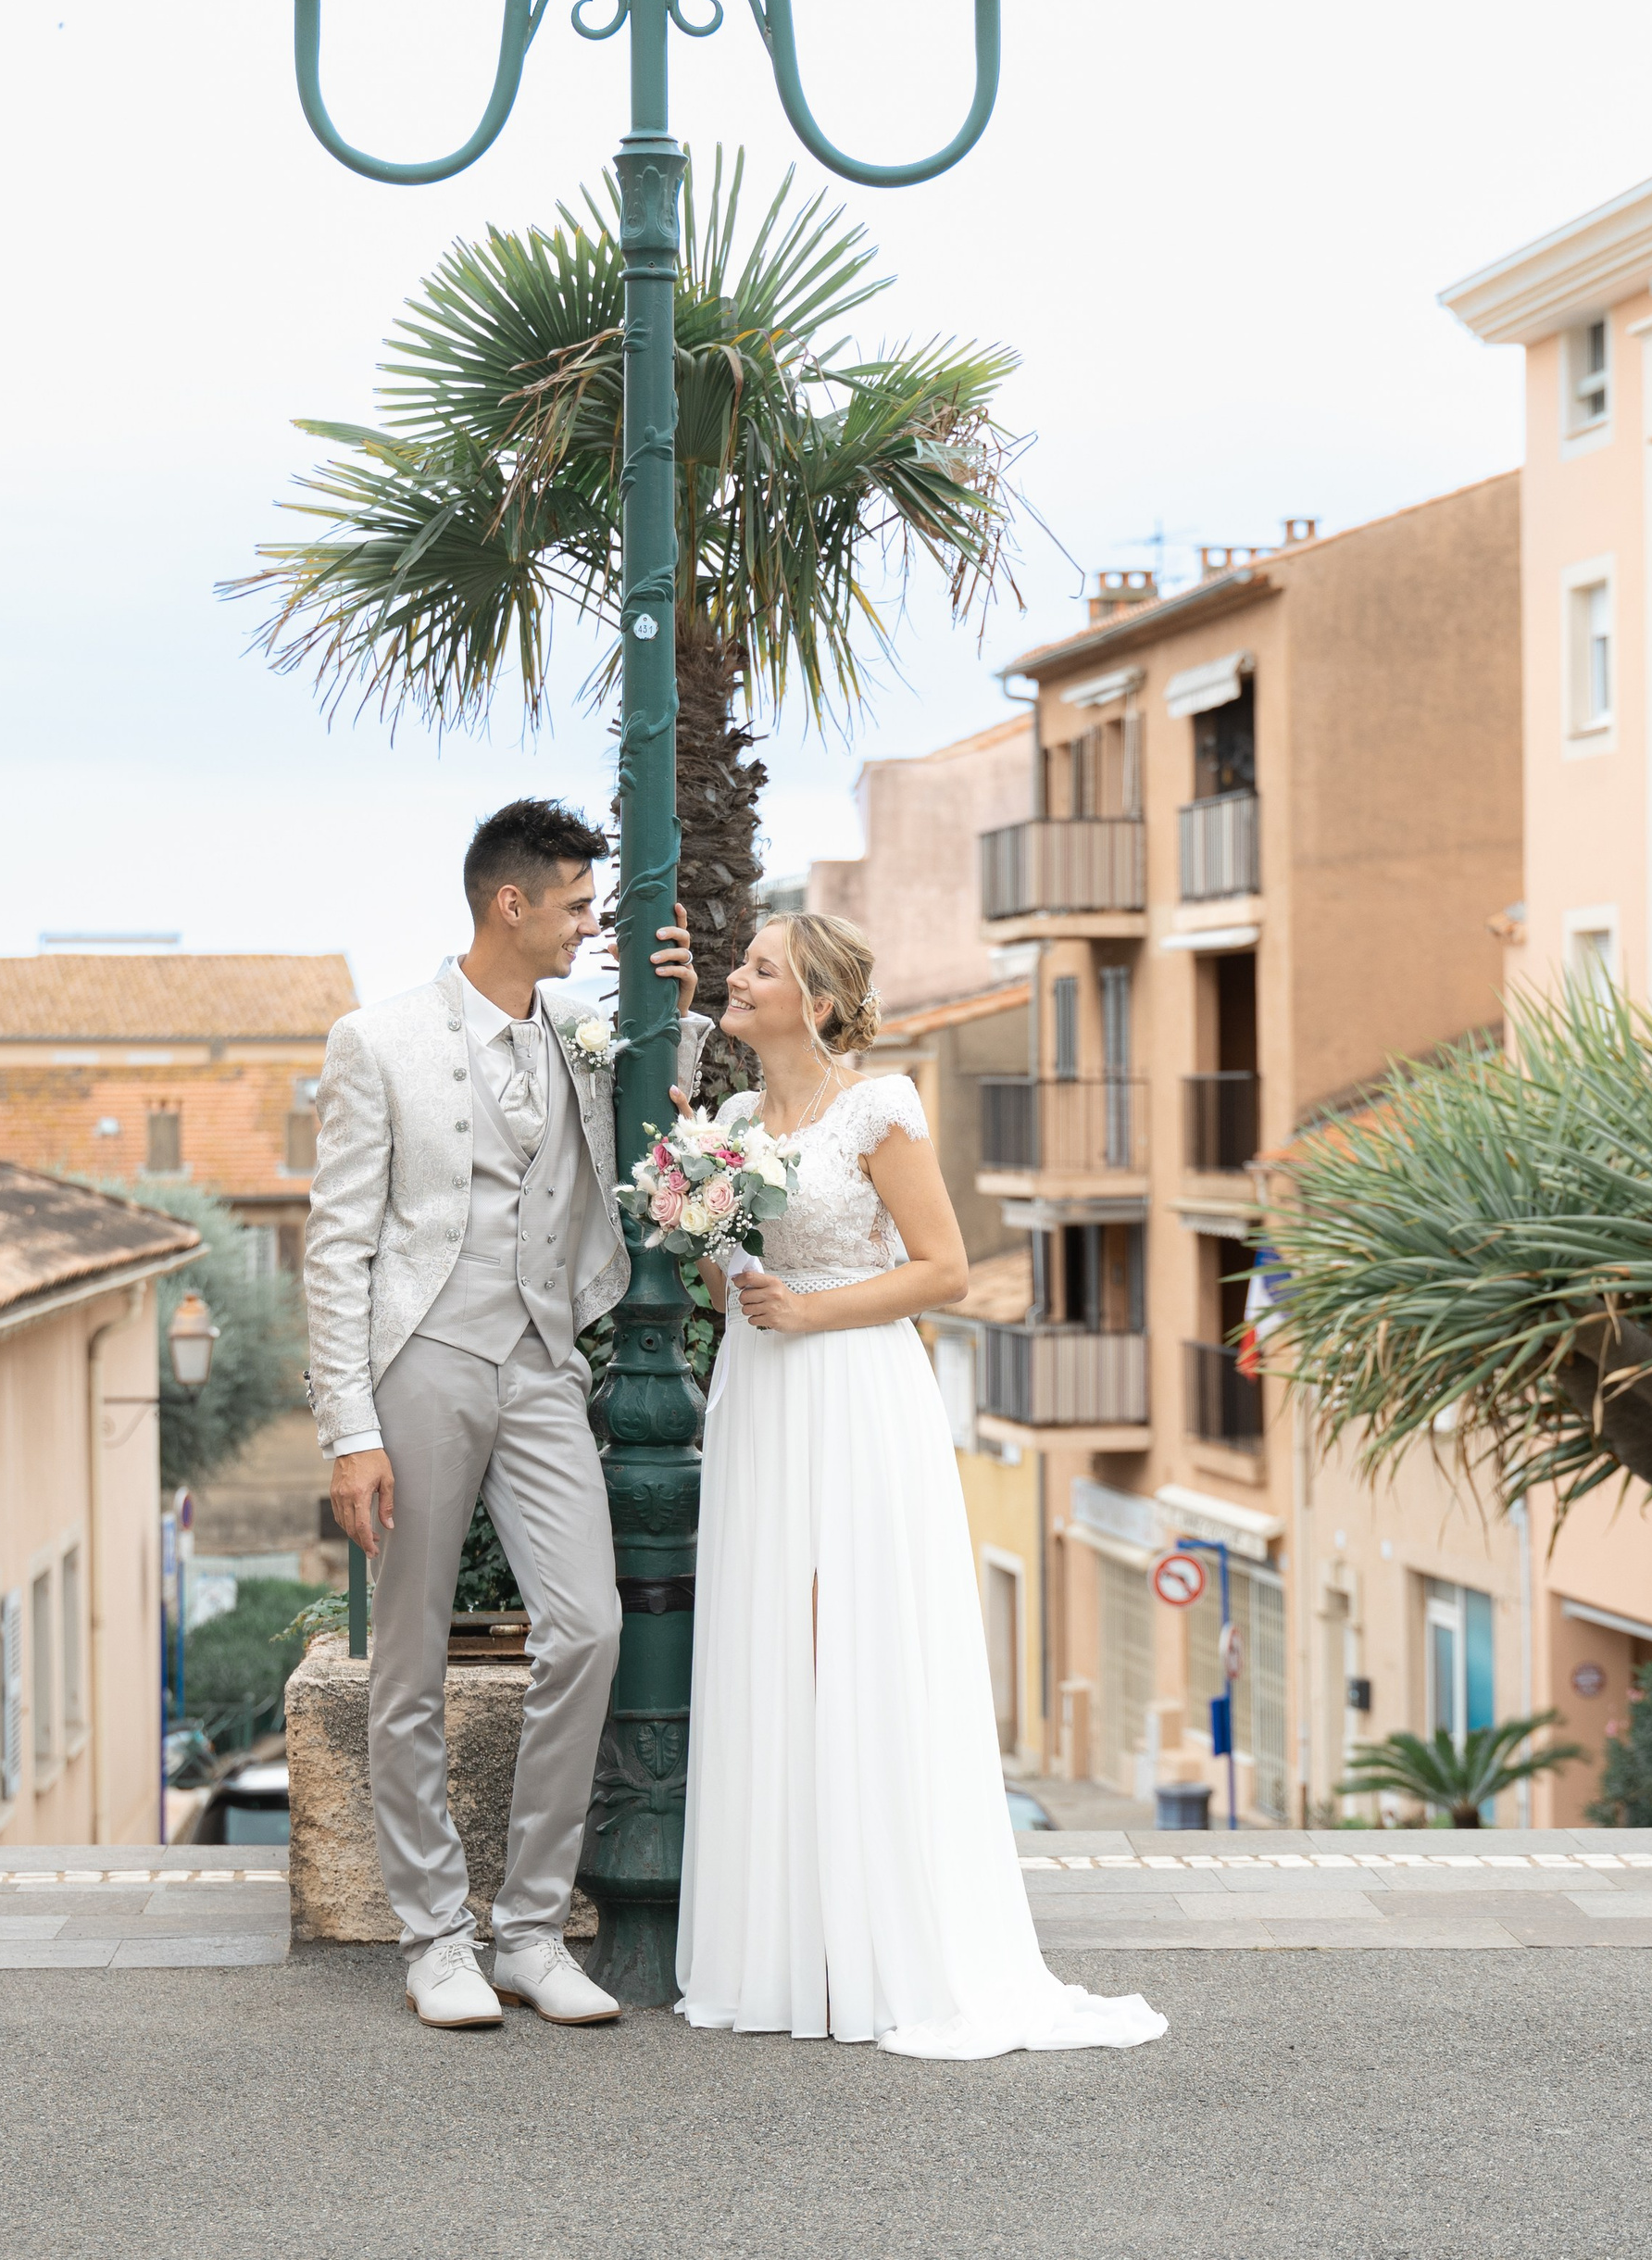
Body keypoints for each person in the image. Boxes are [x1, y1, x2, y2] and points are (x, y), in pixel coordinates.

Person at [676, 911, 1170, 2061]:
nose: (738, 979)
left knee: (858, 1645)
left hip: (852, 1387)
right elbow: (723, 1276)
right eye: (741, 961)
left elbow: (943, 1267)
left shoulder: (879, 1106)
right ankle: (786, 1949)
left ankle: (888, 1946)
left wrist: (805, 1308)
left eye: (760, 966)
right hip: (759, 1390)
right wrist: (703, 1215)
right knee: (769, 1648)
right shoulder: (739, 1121)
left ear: (823, 1001)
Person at [304, 797, 707, 2030]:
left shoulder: (585, 1026)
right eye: (581, 906)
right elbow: (335, 1245)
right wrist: (348, 1430)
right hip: (421, 1353)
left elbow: (657, 1121)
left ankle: (530, 1928)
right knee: (409, 1658)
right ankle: (436, 1938)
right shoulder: (377, 1042)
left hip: (540, 1359)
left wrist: (669, 1011)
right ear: (509, 904)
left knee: (584, 1626)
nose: (595, 925)